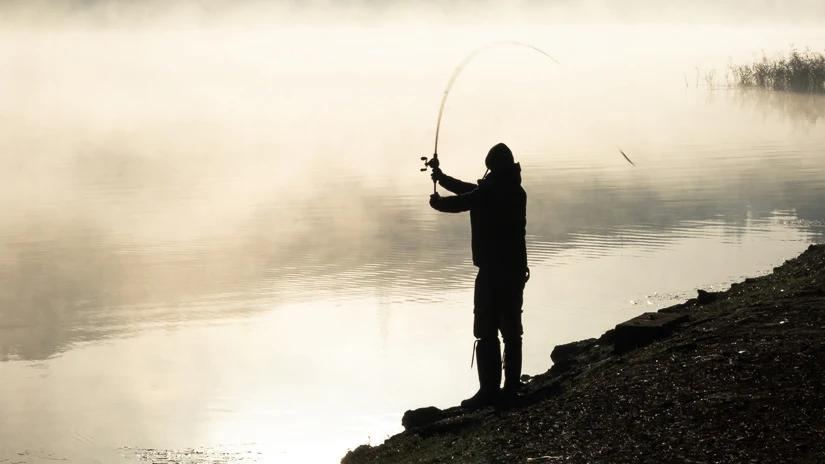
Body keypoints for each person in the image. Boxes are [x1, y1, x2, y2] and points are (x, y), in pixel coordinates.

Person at [429, 142, 528, 408]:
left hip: (493, 271)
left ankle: (489, 391)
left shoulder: (493, 190)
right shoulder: (515, 190)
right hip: (514, 271)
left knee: (485, 330)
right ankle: (510, 388)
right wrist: (442, 178)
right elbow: (472, 192)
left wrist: (438, 203)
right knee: (511, 331)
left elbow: (466, 200)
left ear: (492, 167)